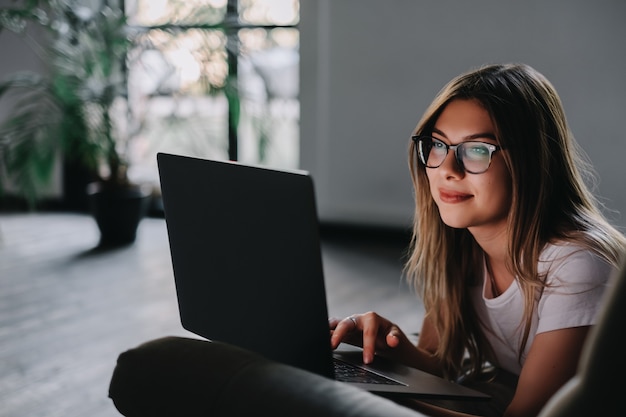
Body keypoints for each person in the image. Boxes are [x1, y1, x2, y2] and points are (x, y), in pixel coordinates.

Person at [329, 63, 626, 417]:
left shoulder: (578, 265)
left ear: (530, 161)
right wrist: (389, 345)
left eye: (477, 150)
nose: (447, 170)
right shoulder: (464, 248)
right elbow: (441, 370)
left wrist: (371, 400)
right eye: (438, 145)